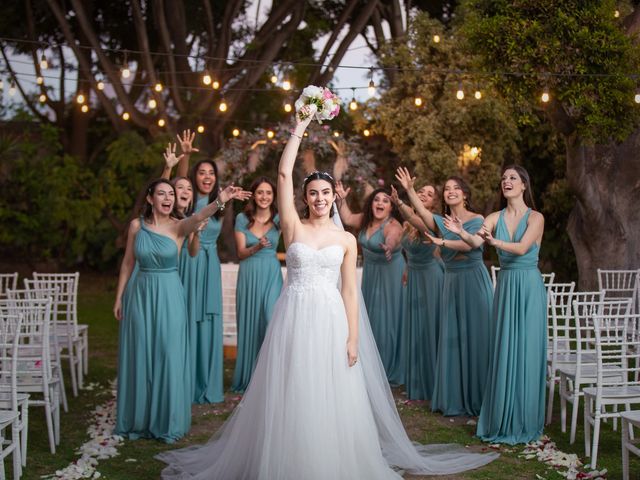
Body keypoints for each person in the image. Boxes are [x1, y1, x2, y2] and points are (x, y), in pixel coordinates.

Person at [157, 105, 498, 479]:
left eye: (325, 193)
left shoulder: (346, 238)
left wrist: (353, 338)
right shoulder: (293, 227)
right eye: (313, 193)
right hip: (294, 317)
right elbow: (284, 172)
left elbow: (350, 293)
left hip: (333, 321)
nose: (320, 198)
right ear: (305, 197)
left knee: (331, 392)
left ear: (332, 197)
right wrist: (302, 122)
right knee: (294, 388)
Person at [113, 178, 250, 443]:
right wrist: (119, 298)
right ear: (150, 199)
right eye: (162, 194)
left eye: (171, 194)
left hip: (169, 293)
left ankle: (165, 419)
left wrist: (221, 200)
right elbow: (128, 264)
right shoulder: (136, 227)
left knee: (167, 352)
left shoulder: (179, 227)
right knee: (141, 351)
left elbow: (199, 214)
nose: (168, 198)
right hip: (140, 294)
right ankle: (138, 418)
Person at [444, 165, 546, 444]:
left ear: (524, 185)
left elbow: (523, 248)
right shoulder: (493, 217)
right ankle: (503, 414)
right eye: (503, 178)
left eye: (513, 178)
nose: (507, 182)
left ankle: (525, 418)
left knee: (526, 349)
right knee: (505, 348)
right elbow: (477, 242)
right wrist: (461, 232)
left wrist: (494, 241)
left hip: (528, 287)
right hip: (507, 285)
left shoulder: (536, 217)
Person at [396, 167, 494, 417]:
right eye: (447, 189)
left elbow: (468, 245)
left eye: (455, 188)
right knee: (453, 339)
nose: (450, 192)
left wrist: (443, 242)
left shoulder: (478, 219)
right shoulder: (440, 222)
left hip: (473, 279)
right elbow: (422, 214)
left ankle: (481, 397)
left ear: (465, 194)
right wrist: (408, 190)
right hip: (451, 281)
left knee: (477, 336)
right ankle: (455, 397)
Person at [335, 182, 405, 385]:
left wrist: (389, 247)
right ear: (371, 203)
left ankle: (387, 367)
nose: (380, 203)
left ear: (392, 207)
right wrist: (341, 199)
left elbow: (393, 238)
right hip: (372, 275)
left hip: (390, 275)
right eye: (377, 199)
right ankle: (369, 364)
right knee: (370, 318)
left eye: (386, 201)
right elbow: (347, 217)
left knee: (387, 320)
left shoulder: (393, 226)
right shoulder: (365, 221)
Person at [390, 184, 444, 400]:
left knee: (429, 328)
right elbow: (409, 251)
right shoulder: (406, 223)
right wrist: (406, 267)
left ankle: (431, 383)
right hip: (414, 276)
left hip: (431, 277)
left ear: (435, 203)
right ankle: (417, 381)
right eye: (421, 191)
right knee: (416, 327)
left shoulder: (432, 221)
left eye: (429, 194)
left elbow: (417, 221)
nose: (423, 195)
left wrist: (401, 202)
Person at [231, 176, 283, 392]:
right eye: (260, 192)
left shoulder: (280, 219)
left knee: (271, 320)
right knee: (250, 323)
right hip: (249, 273)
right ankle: (249, 378)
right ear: (254, 195)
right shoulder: (242, 219)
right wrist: (256, 248)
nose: (264, 197)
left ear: (273, 196)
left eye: (268, 193)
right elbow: (241, 253)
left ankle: (272, 377)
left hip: (271, 273)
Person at [187, 159, 229, 403]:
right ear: (194, 177)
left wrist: (222, 200)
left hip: (210, 263)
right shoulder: (188, 201)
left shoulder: (220, 205)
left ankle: (208, 381)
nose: (206, 177)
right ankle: (189, 379)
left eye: (211, 173)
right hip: (191, 261)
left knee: (209, 319)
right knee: (191, 315)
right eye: (201, 172)